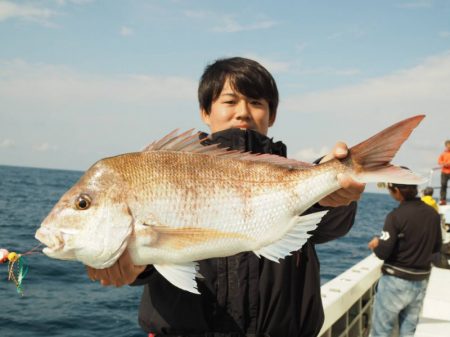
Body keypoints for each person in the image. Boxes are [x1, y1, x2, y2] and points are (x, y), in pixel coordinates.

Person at [87, 57, 365, 337]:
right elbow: (157, 255)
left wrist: (335, 191)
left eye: (256, 102)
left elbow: (330, 225)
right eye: (230, 102)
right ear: (205, 112)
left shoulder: (294, 177)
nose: (243, 112)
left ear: (272, 115)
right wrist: (136, 267)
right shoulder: (169, 173)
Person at [368, 182, 441, 337]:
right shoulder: (433, 214)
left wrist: (376, 244)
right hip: (420, 281)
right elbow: (436, 249)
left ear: (397, 191)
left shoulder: (395, 216)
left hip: (395, 281)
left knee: (381, 332)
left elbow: (383, 252)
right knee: (408, 332)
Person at [438, 140, 450, 205]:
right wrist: (445, 163)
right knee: (443, 185)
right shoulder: (443, 154)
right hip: (444, 172)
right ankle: (443, 200)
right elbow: (439, 162)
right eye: (448, 145)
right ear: (446, 146)